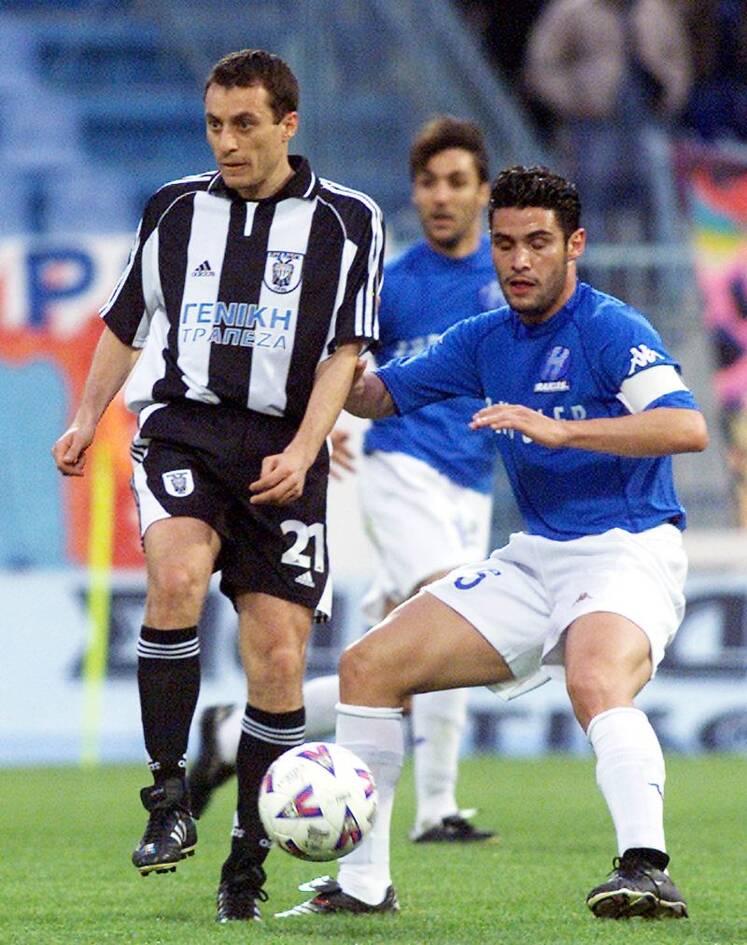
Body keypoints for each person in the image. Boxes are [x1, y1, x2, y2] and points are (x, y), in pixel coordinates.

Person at [279, 165, 707, 920]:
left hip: (627, 549)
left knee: (593, 678)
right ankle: (362, 887)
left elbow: (686, 426)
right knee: (367, 667)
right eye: (505, 244)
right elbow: (380, 397)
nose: (519, 260)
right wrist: (338, 360)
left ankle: (645, 868)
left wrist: (564, 430)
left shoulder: (611, 328)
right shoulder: (483, 339)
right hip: (536, 557)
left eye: (537, 242)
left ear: (574, 245)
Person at [51, 48, 383, 923]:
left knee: (278, 658)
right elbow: (127, 322)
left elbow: (345, 352)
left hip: (282, 449)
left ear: (287, 124)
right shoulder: (174, 208)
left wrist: (306, 449)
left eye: (244, 125)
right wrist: (86, 417)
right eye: (214, 125)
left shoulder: (349, 220)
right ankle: (167, 798)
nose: (226, 142)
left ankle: (245, 860)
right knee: (175, 576)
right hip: (186, 430)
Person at [187, 116, 503, 843]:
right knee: (463, 615)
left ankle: (232, 733)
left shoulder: (505, 280)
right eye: (428, 182)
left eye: (456, 182)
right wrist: (322, 421)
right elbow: (329, 353)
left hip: (472, 483)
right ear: (415, 192)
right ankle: (433, 809)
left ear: (483, 192)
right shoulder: (397, 284)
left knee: (409, 660)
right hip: (401, 468)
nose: (441, 196)